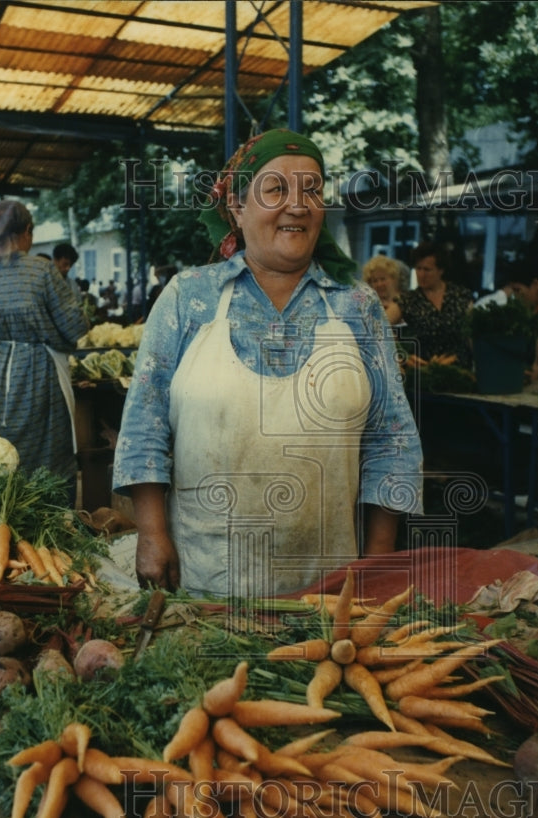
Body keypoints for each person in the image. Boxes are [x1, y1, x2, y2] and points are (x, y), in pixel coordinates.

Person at [112, 128, 423, 599]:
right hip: (205, 575)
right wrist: (152, 534)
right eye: (276, 189)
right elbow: (144, 427)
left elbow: (391, 439)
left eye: (312, 190)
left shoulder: (356, 306)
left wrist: (377, 561)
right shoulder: (189, 297)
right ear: (236, 208)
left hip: (328, 580)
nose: (298, 205)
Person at [0, 199, 88, 498]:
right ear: (27, 230)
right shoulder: (40, 270)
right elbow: (74, 325)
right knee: (44, 457)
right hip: (35, 374)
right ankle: (50, 523)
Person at [397, 241, 474, 367]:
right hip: (423, 373)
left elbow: (473, 337)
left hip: (460, 371)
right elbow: (376, 327)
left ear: (441, 270)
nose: (421, 274)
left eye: (427, 270)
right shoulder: (408, 300)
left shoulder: (461, 296)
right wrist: (400, 354)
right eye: (418, 268)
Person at [361, 254, 405, 327]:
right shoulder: (367, 305)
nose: (379, 284)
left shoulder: (405, 302)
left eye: (383, 279)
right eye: (375, 281)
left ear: (394, 279)